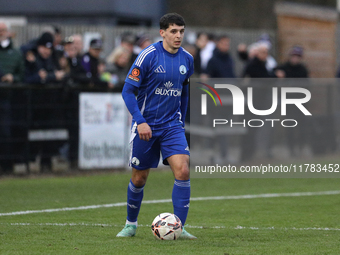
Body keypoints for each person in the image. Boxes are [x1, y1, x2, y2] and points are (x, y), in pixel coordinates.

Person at [116, 13, 196, 239]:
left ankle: (179, 227)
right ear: (162, 33)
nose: (178, 35)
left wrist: (181, 119)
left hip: (172, 125)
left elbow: (184, 92)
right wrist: (140, 121)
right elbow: (127, 91)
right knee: (139, 178)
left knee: (183, 170)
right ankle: (130, 224)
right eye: (173, 31)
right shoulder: (148, 56)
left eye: (181, 31)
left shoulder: (187, 59)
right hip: (147, 126)